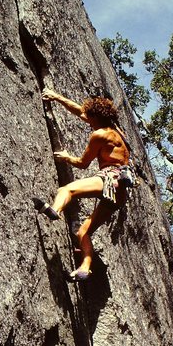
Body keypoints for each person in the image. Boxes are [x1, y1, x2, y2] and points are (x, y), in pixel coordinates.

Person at [33, 88, 130, 282]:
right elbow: (81, 112)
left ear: (95, 117)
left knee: (66, 190)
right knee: (83, 232)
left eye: (89, 117)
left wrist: (67, 157)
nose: (87, 119)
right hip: (121, 193)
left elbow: (83, 163)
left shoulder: (99, 135)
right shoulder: (115, 130)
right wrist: (58, 97)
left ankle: (55, 210)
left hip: (109, 179)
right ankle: (84, 268)